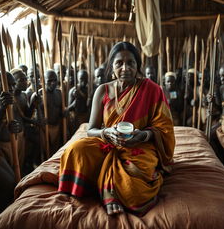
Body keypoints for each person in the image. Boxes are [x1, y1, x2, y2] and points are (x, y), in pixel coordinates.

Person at [58, 42, 175, 216]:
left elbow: (164, 128)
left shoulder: (152, 90)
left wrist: (142, 135)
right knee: (75, 151)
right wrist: (106, 132)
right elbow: (91, 129)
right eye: (119, 63)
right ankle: (104, 184)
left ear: (138, 66)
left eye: (131, 63)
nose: (125, 68)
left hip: (139, 145)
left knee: (134, 186)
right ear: (112, 66)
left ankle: (107, 189)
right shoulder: (102, 90)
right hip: (107, 142)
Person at [67, 70, 90, 135]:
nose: (84, 81)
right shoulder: (73, 91)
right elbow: (69, 109)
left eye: (85, 79)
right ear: (77, 79)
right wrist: (75, 101)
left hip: (85, 117)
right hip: (76, 118)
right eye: (81, 79)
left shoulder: (88, 89)